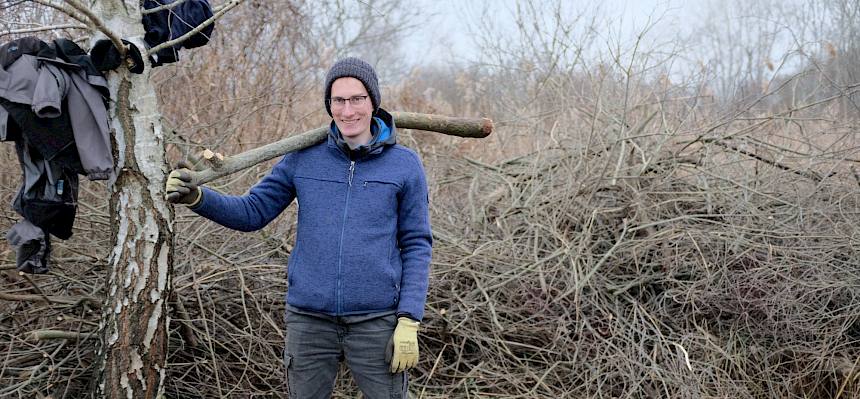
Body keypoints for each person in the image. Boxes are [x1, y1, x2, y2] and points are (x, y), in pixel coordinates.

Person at [165, 57, 433, 398]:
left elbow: (417, 244)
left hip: (376, 321)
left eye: (357, 99)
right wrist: (198, 197)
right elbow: (252, 212)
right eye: (339, 100)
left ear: (373, 101)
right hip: (309, 321)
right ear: (329, 105)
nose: (348, 110)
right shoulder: (303, 157)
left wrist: (409, 319)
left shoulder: (404, 165)